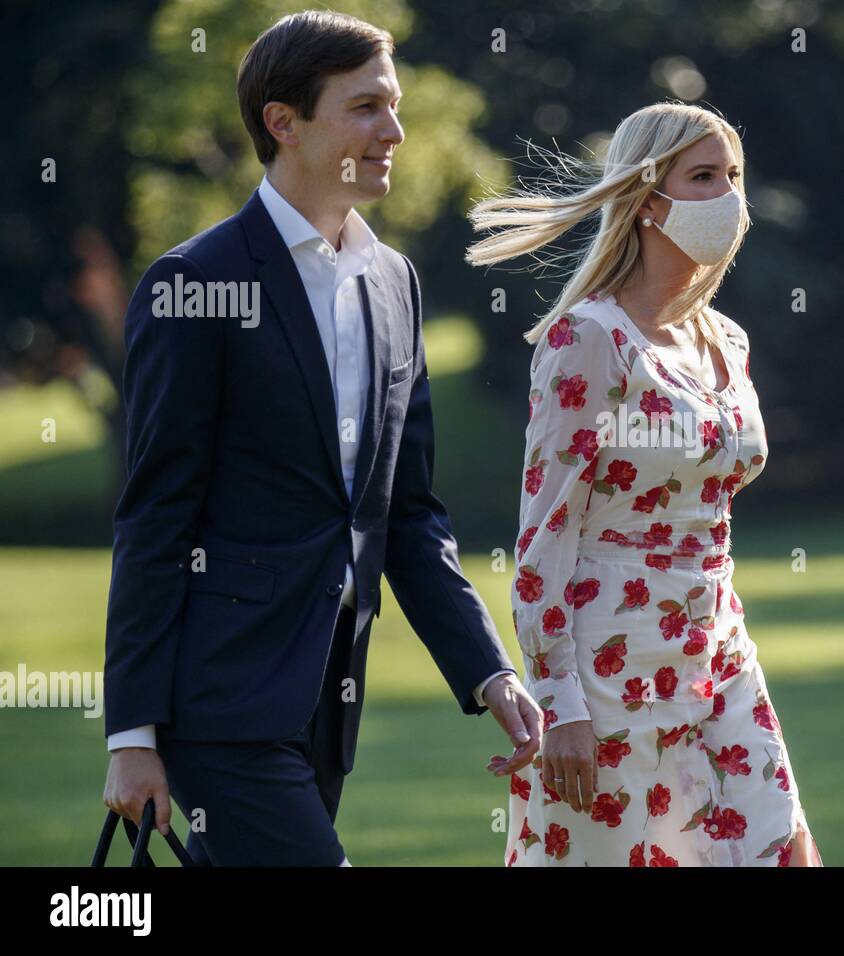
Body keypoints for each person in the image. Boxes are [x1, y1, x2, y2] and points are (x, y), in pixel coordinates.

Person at [101, 10, 541, 866]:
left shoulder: (393, 282)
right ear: (284, 122)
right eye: (367, 107)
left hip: (328, 703)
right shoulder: (193, 283)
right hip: (218, 703)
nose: (395, 131)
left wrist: (490, 672)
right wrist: (131, 733)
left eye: (396, 105)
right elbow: (156, 516)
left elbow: (408, 515)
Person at [467, 101, 823, 866]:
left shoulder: (727, 339)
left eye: (733, 176)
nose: (728, 196)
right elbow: (544, 536)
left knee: (781, 849)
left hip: (718, 645)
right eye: (703, 177)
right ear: (647, 196)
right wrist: (557, 704)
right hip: (609, 674)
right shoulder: (587, 339)